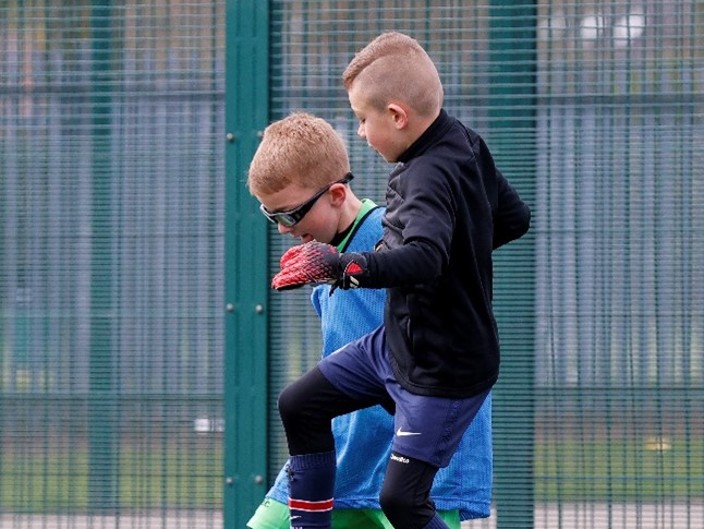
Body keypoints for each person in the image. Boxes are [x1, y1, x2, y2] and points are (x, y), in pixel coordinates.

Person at [270, 32, 531, 529]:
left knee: (402, 502)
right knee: (300, 404)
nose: (362, 134)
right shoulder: (468, 143)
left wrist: (342, 266)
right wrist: (463, 258)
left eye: (363, 120)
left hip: (443, 370)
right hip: (396, 345)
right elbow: (514, 218)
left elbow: (425, 258)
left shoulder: (421, 178)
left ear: (396, 115)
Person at [246, 111, 493, 529]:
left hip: (414, 468)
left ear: (337, 194)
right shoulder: (323, 263)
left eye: (290, 215)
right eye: (272, 218)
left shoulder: (395, 241)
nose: (284, 230)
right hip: (341, 467)